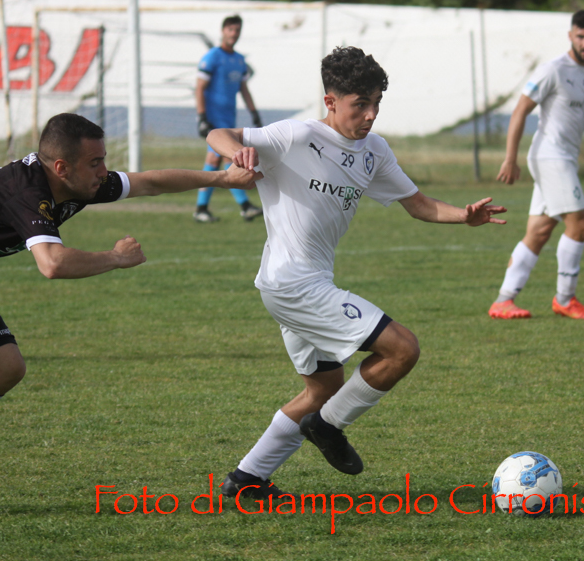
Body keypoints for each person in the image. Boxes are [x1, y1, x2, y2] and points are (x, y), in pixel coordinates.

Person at [0, 113, 259, 524]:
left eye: (102, 160)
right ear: (62, 167)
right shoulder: (28, 192)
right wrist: (115, 258)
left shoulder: (77, 182)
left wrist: (223, 179)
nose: (103, 171)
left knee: (6, 367)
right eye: (95, 162)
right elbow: (52, 263)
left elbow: (149, 182)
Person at [206, 46, 507, 500]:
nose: (370, 115)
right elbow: (218, 133)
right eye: (360, 104)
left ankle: (246, 480)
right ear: (330, 101)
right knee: (402, 349)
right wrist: (240, 153)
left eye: (376, 104)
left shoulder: (374, 151)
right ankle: (327, 429)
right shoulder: (295, 136)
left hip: (300, 285)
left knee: (324, 388)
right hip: (293, 284)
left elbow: (418, 204)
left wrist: (463, 216)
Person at [488, 9, 584, 321]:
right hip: (550, 156)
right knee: (580, 223)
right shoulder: (552, 70)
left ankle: (503, 301)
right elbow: (520, 111)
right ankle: (565, 299)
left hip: (564, 159)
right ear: (570, 36)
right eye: (580, 37)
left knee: (539, 232)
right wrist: (510, 158)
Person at [193, 14, 264, 223]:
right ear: (223, 31)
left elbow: (243, 88)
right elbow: (199, 88)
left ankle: (203, 208)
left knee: (217, 159)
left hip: (228, 118)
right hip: (213, 119)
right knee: (223, 158)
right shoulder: (212, 57)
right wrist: (202, 117)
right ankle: (243, 206)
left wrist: (254, 113)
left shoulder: (239, 60)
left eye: (237, 30)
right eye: (230, 29)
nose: (234, 34)